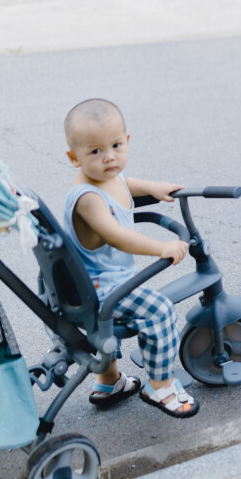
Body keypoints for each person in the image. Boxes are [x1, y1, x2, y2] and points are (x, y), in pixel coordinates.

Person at [63, 98, 199, 417]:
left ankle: (109, 381)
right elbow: (116, 235)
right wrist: (160, 247)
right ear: (73, 157)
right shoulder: (88, 199)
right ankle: (160, 385)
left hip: (99, 282)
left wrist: (157, 188)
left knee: (130, 307)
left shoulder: (106, 177)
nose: (109, 157)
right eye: (95, 151)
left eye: (116, 145)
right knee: (159, 311)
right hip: (101, 290)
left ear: (127, 141)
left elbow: (127, 183)